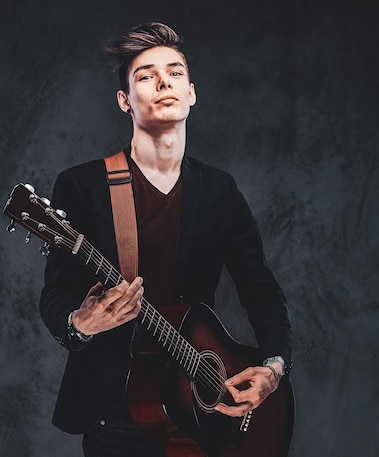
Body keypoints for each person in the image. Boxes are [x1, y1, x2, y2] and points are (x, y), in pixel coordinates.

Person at [38, 22, 293, 457]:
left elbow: (262, 291)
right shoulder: (84, 186)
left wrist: (273, 367)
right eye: (145, 75)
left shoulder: (220, 191)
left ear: (191, 92)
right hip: (119, 410)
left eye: (175, 72)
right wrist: (78, 326)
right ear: (125, 101)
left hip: (206, 413)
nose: (162, 82)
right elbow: (57, 293)